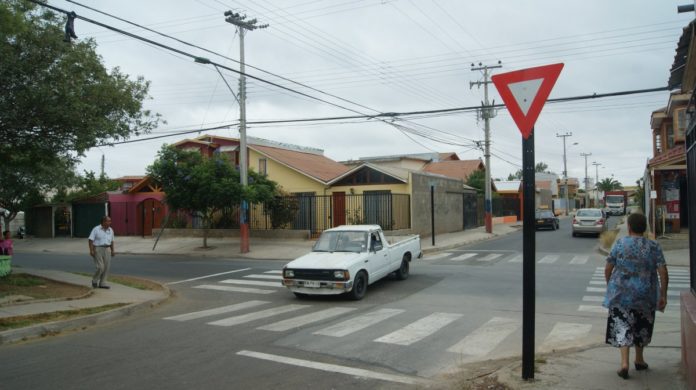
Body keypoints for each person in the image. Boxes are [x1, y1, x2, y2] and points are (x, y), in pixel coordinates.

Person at [603, 212, 669, 380]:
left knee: (621, 324)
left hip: (621, 293)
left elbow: (608, 267)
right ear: (644, 228)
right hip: (645, 294)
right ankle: (639, 360)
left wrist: (609, 284)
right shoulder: (654, 246)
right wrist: (663, 294)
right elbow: (663, 271)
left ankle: (624, 364)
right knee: (642, 324)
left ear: (629, 227)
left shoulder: (620, 244)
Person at [88, 216, 115, 289]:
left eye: (110, 221)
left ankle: (102, 283)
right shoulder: (96, 229)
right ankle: (94, 280)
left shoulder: (111, 230)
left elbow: (112, 241)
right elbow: (90, 240)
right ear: (103, 222)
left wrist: (112, 250)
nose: (110, 222)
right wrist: (91, 250)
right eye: (108, 221)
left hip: (107, 249)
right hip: (98, 249)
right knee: (100, 267)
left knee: (106, 267)